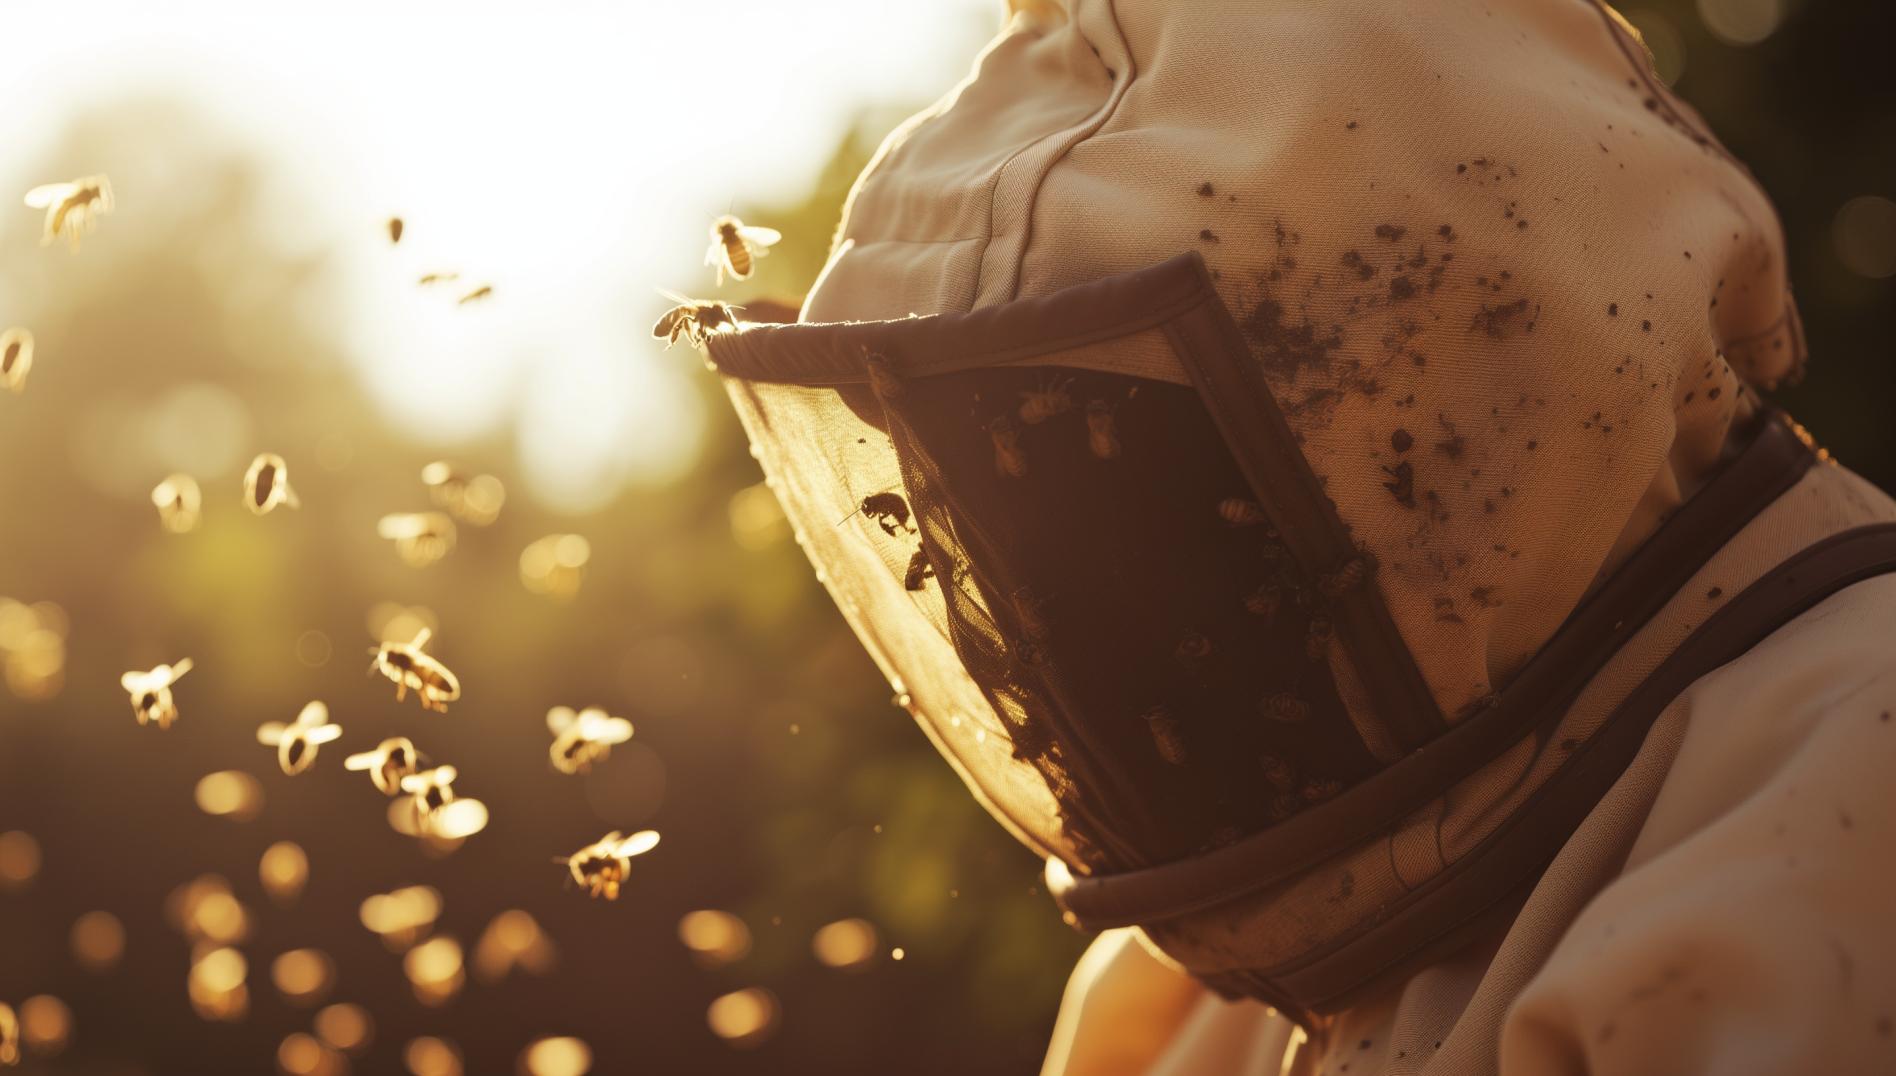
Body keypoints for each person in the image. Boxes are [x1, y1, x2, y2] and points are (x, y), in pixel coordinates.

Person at [698, 1, 1896, 1072]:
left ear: (1442, 368)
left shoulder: (1849, 798)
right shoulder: (1183, 997)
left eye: (1115, 455)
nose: (1026, 591)